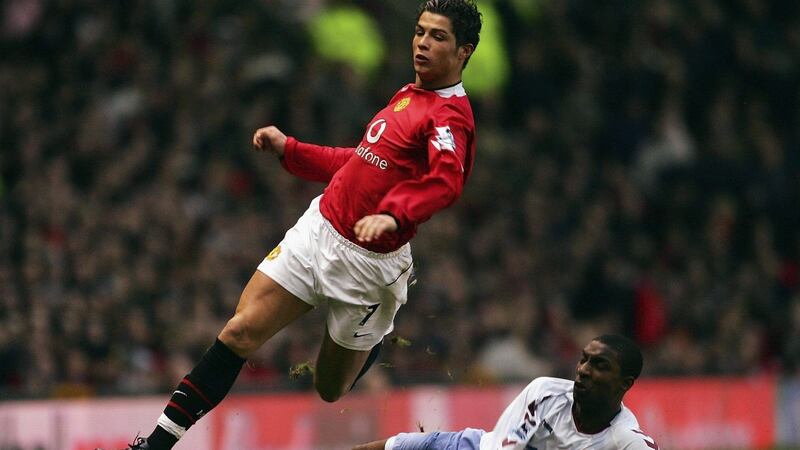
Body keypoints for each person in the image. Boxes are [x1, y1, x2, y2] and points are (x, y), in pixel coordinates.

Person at [104, 1, 482, 449]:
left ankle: (370, 339)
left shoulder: (449, 117)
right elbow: (359, 162)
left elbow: (446, 182)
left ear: (465, 52)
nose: (422, 43)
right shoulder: (408, 93)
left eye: (438, 37)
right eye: (420, 31)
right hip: (320, 228)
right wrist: (292, 150)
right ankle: (155, 443)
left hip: (369, 268)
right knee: (239, 331)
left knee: (328, 389)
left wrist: (394, 213)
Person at [352, 334, 660, 450]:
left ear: (625, 383)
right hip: (479, 448)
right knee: (403, 446)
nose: (583, 370)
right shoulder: (546, 393)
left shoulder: (627, 441)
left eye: (600, 365)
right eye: (583, 359)